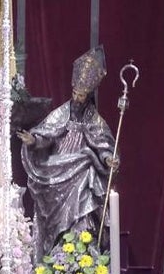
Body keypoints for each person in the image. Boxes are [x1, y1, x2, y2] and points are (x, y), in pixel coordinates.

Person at [18, 46, 115, 259]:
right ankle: (57, 254)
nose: (77, 98)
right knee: (54, 211)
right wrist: (34, 140)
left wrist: (108, 159)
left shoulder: (94, 120)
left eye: (82, 95)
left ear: (88, 96)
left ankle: (80, 254)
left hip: (82, 168)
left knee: (85, 196)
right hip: (58, 166)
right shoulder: (61, 113)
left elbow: (104, 144)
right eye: (75, 93)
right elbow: (47, 132)